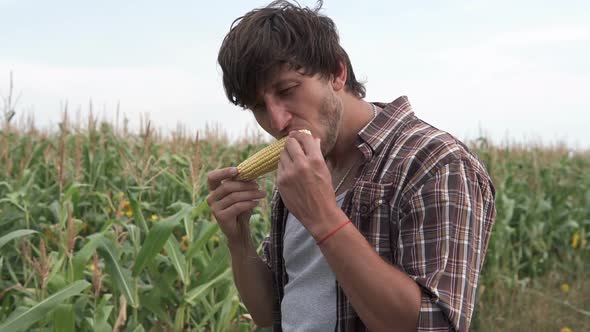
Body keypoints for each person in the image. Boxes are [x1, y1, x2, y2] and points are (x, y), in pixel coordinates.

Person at [206, 1, 496, 331]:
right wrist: (238, 238)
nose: (277, 120)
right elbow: (271, 312)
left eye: (287, 90)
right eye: (258, 107)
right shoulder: (303, 170)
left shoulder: (434, 163)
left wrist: (324, 217)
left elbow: (434, 325)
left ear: (337, 72)